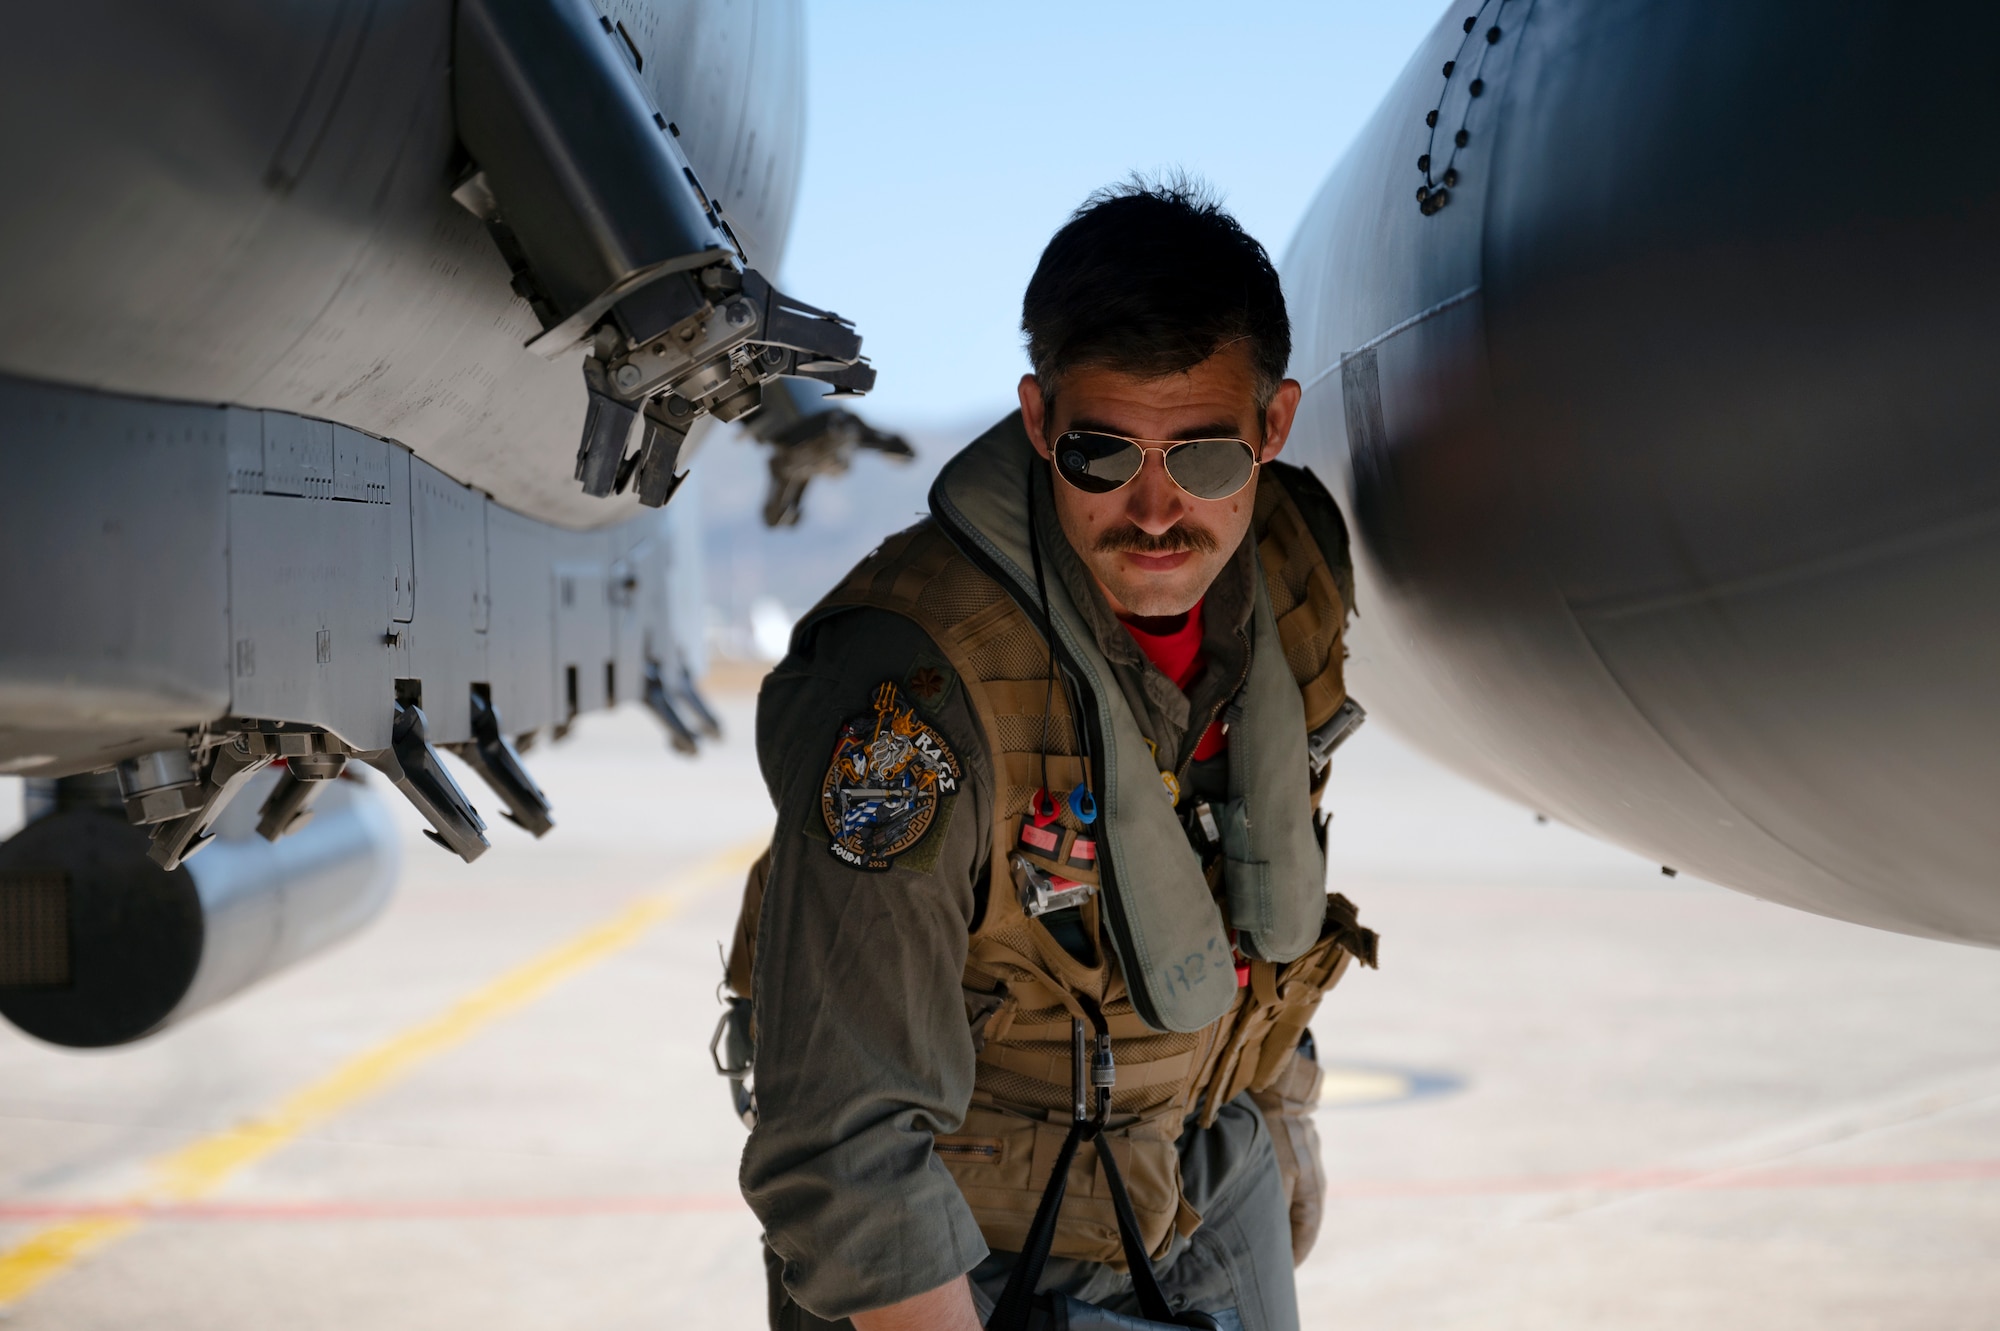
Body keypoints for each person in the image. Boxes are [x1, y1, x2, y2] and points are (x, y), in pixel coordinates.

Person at [726, 177, 1375, 1331]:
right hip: (972, 1255)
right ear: (1036, 423)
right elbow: (841, 1135)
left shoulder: (1288, 575)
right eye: (1101, 454)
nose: (1158, 510)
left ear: (1273, 427)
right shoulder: (913, 694)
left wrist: (1278, 1107)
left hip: (1201, 1174)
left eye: (1208, 458)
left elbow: (1256, 871)